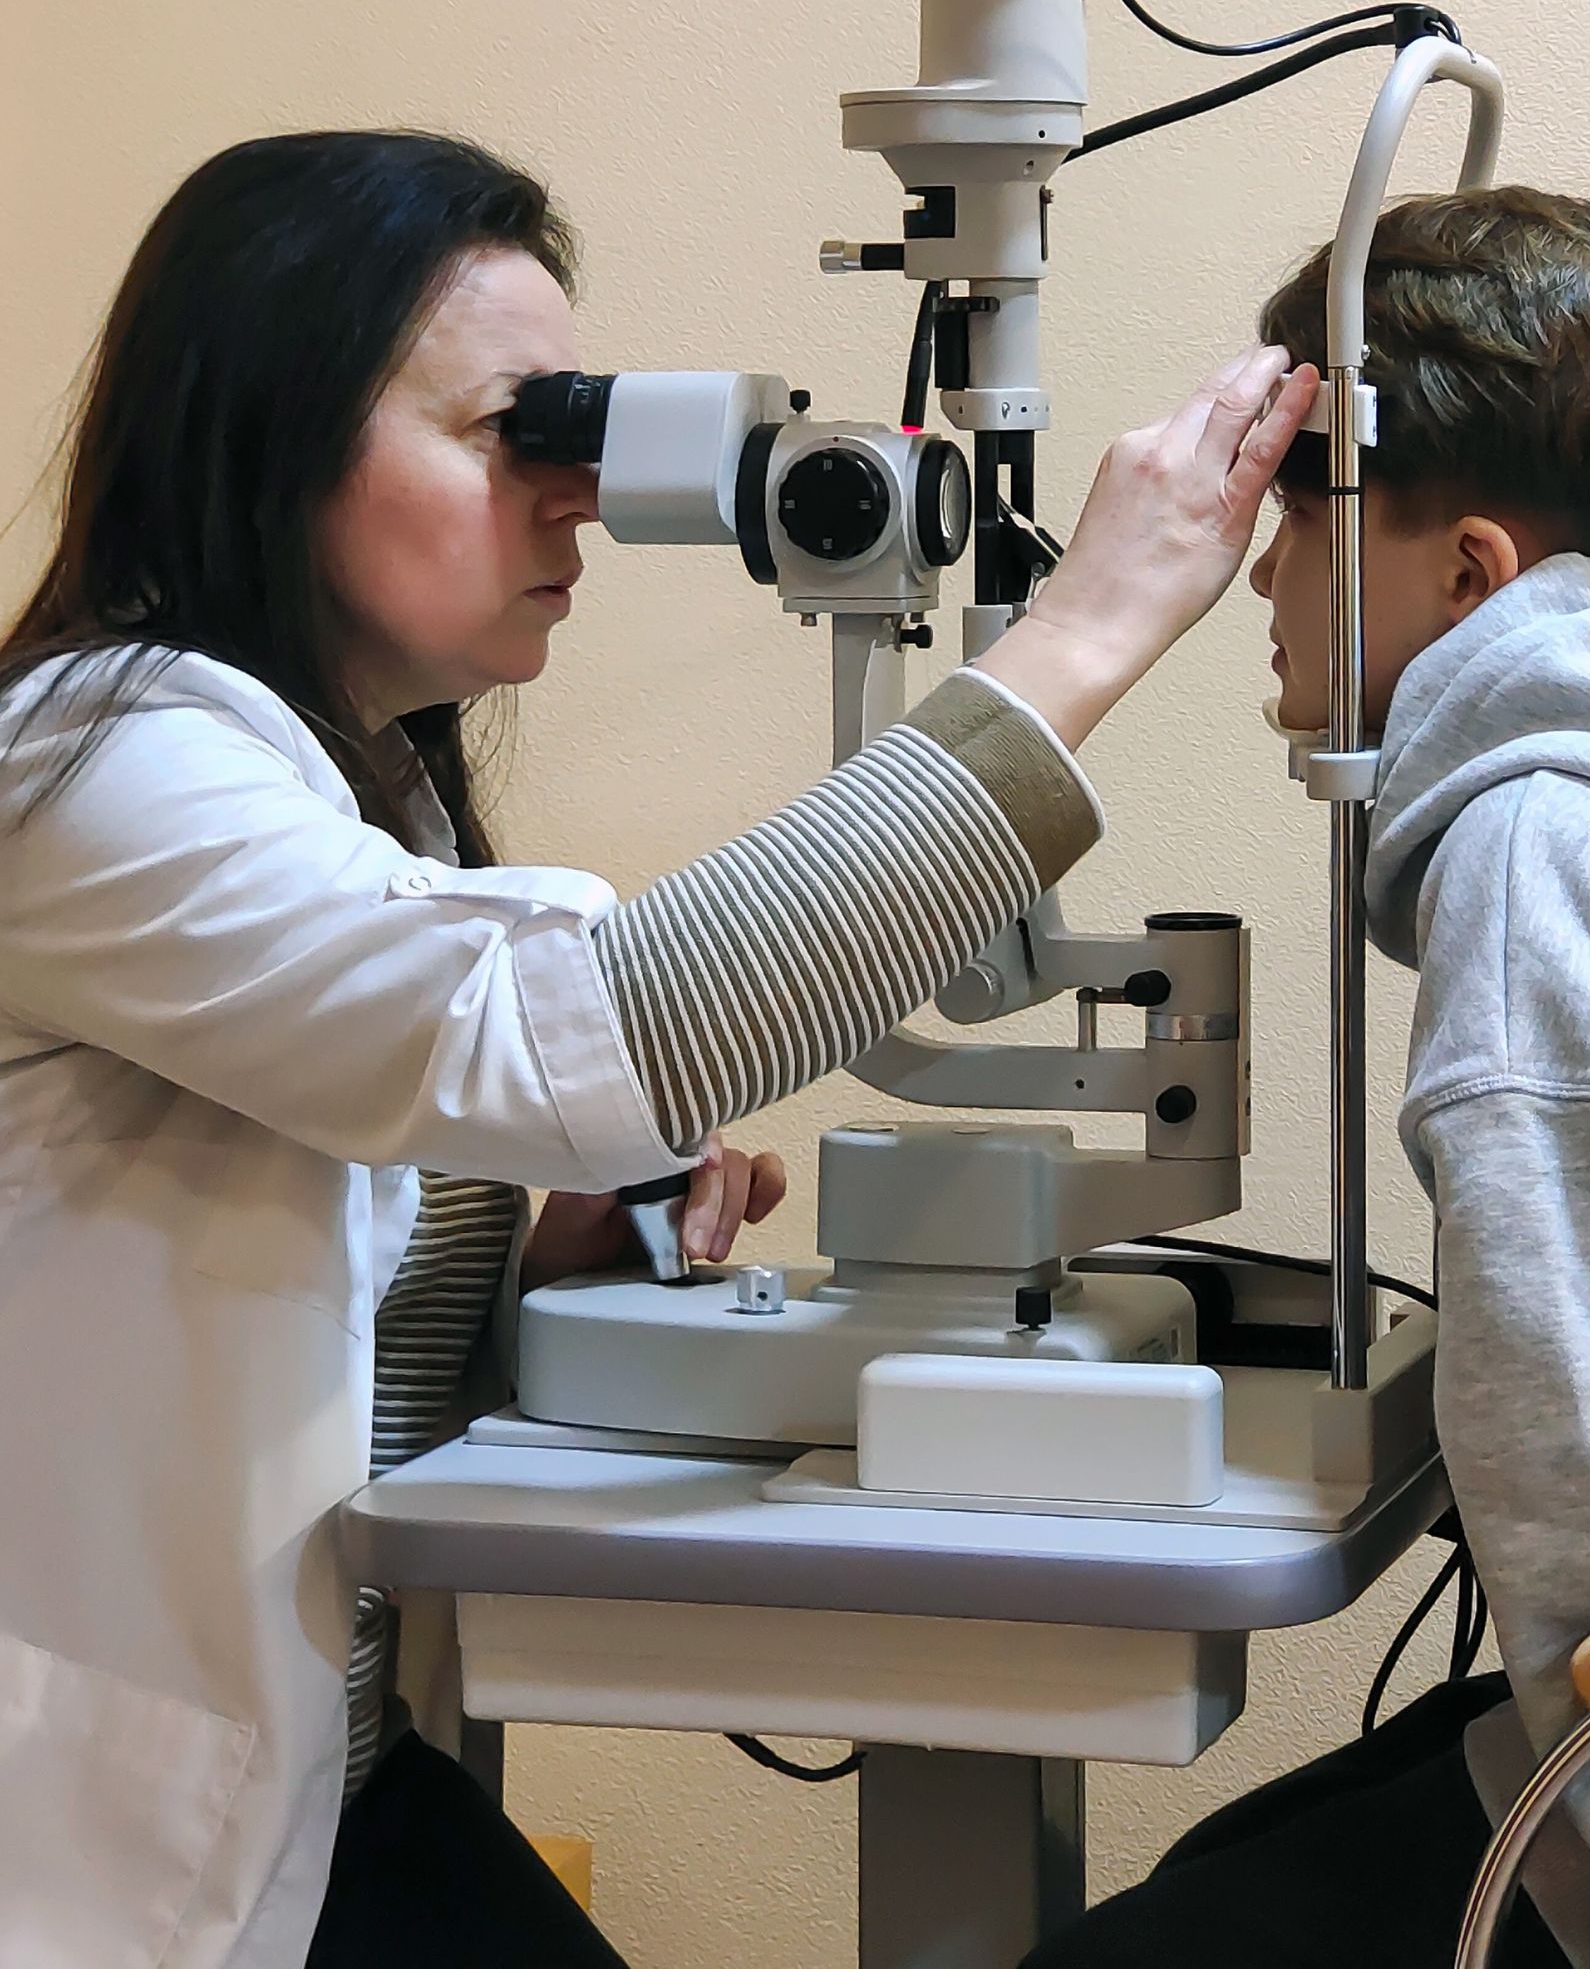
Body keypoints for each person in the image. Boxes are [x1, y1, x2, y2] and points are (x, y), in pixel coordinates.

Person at [0, 129, 1315, 1969]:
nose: (582, 500)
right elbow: (554, 1044)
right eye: (511, 436)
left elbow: (325, 1210)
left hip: (334, 1780)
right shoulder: (100, 762)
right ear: (275, 432)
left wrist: (526, 1238)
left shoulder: (361, 806)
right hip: (107, 1848)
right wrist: (1089, 625)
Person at [1027, 186, 1590, 1969]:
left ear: (1473, 572)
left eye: (1301, 515)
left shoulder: (1557, 858)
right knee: (1243, 1859)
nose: (1262, 575)